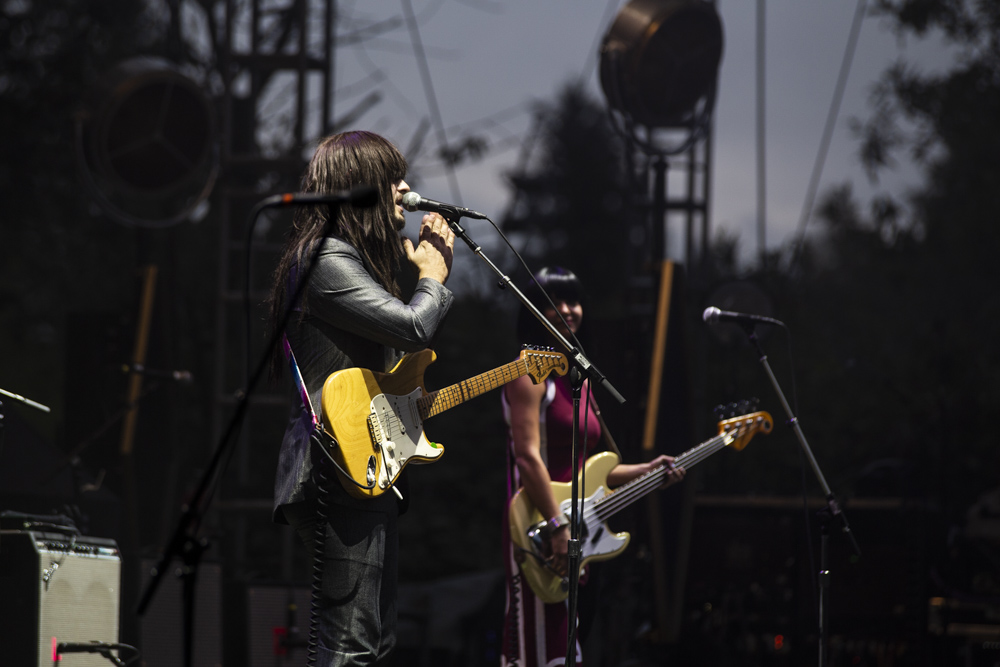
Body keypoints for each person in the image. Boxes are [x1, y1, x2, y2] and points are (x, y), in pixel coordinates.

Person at [267, 130, 456, 666]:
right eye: (393, 178)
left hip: (363, 464)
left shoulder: (349, 260)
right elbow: (414, 327)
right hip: (335, 467)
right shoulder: (323, 257)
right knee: (350, 648)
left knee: (374, 645)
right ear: (361, 184)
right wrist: (434, 277)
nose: (405, 189)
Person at [500, 266, 685, 667]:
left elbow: (590, 472)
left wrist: (650, 470)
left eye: (574, 301)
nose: (568, 310)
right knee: (540, 650)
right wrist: (557, 526)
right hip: (539, 528)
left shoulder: (577, 379)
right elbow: (527, 456)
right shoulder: (527, 372)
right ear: (534, 311)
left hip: (575, 532)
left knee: (569, 649)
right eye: (555, 302)